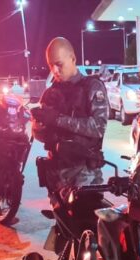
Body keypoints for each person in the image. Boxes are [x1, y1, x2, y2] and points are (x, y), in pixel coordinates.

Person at [31, 37, 108, 205]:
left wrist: (57, 119)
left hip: (84, 175)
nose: (55, 70)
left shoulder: (92, 87)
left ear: (72, 58)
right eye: (51, 65)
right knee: (61, 221)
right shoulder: (50, 93)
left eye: (59, 64)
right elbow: (39, 135)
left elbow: (98, 127)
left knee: (85, 219)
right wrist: (38, 126)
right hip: (56, 176)